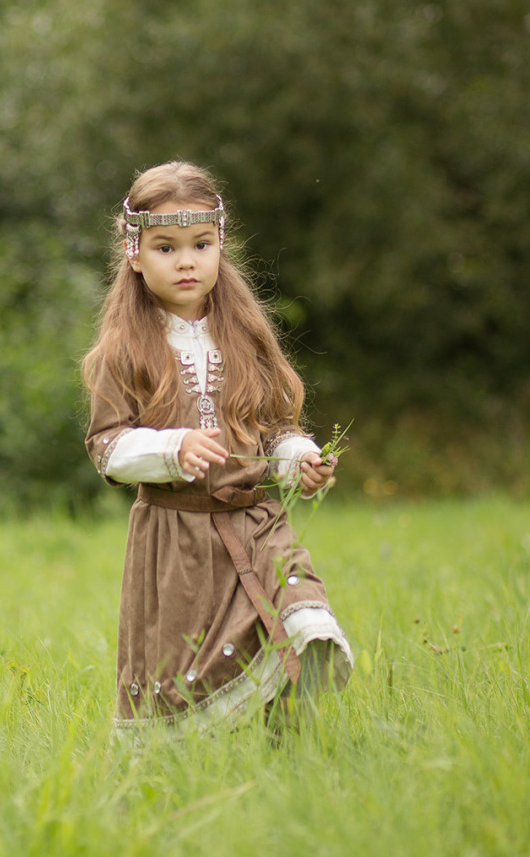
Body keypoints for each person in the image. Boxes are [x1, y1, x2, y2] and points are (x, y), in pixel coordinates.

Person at [82, 161, 352, 737]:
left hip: (258, 527)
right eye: (165, 247)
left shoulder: (244, 335)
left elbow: (274, 426)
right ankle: (203, 771)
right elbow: (107, 447)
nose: (186, 261)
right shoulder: (123, 349)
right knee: (187, 677)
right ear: (135, 255)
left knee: (304, 628)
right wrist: (172, 448)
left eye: (201, 244)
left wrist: (298, 459)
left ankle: (291, 755)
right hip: (176, 540)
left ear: (220, 246)